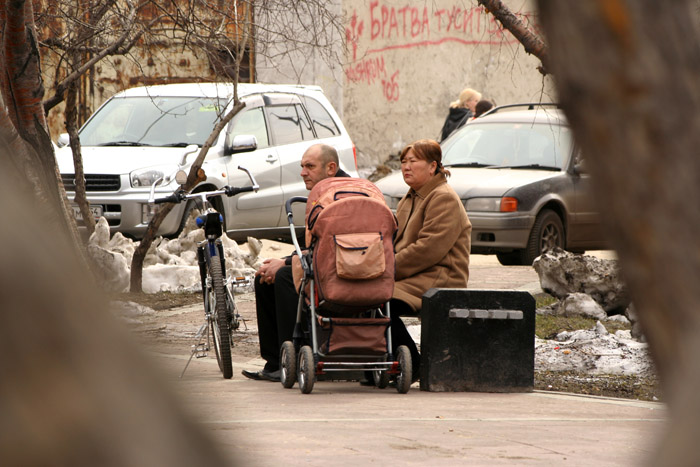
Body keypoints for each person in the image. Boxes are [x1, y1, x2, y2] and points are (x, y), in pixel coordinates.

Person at [242, 143, 350, 381]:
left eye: (309, 166)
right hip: (323, 263)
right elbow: (310, 243)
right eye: (302, 166)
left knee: (284, 278)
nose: (302, 172)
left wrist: (288, 264)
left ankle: (293, 359)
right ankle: (275, 362)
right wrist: (286, 260)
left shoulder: (343, 195)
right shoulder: (324, 191)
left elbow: (329, 248)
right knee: (266, 277)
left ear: (331, 167)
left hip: (341, 269)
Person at [389, 139, 472, 380]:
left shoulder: (443, 197)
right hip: (415, 275)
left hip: (439, 277)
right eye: (403, 161)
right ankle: (386, 363)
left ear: (432, 166)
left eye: (413, 161)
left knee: (377, 302)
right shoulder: (410, 197)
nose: (406, 166)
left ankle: (412, 365)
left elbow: (428, 249)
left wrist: (387, 270)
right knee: (361, 299)